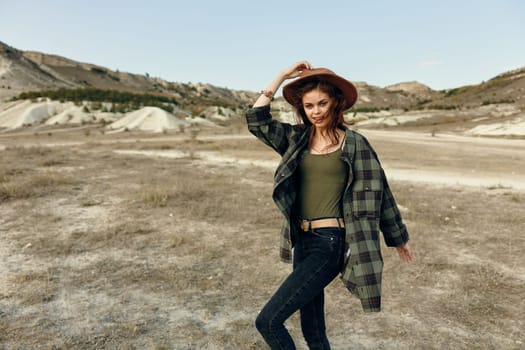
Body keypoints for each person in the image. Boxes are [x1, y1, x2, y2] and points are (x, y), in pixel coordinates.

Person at [246, 61, 414, 349]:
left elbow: (381, 191)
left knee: (268, 321)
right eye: (309, 106)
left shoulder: (355, 144)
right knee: (313, 329)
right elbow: (257, 121)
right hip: (302, 240)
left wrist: (398, 237)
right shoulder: (296, 139)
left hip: (330, 243)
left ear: (336, 102)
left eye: (322, 103)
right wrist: (282, 76)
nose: (316, 111)